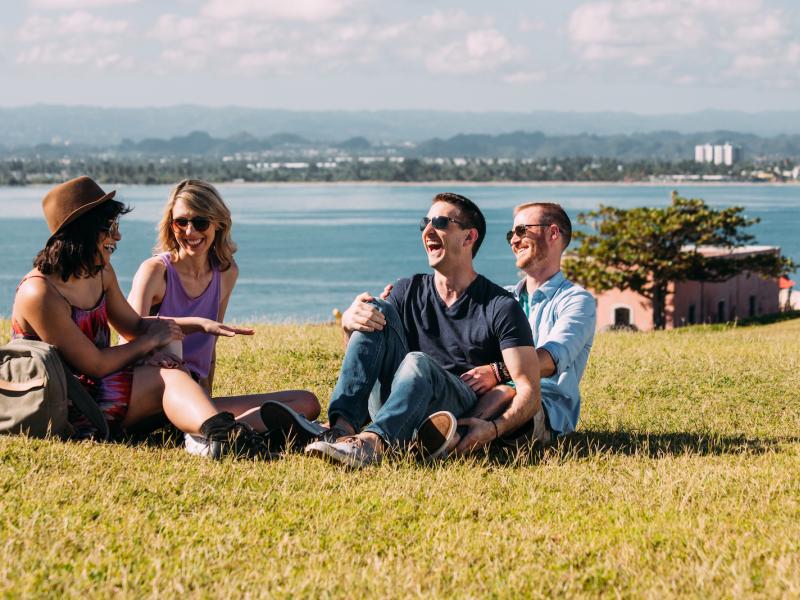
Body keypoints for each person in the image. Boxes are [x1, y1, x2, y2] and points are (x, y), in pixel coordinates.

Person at [10, 176, 310, 459]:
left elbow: (135, 324)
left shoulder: (100, 272)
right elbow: (95, 364)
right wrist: (149, 344)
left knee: (302, 401)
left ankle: (220, 433)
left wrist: (198, 325)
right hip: (73, 406)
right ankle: (227, 438)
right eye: (110, 226)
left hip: (111, 392)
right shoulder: (40, 292)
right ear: (85, 231)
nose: (118, 235)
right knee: (168, 376)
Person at [304, 192, 541, 468]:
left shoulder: (500, 306)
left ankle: (371, 443)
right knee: (375, 308)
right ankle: (341, 431)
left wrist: (494, 429)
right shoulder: (408, 289)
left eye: (440, 222)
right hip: (395, 399)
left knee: (417, 362)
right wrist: (349, 326)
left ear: (468, 238)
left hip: (451, 410)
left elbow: (530, 391)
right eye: (424, 222)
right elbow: (370, 357)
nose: (428, 229)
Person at [126, 180, 320, 455]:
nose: (190, 231)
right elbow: (127, 335)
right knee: (178, 371)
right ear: (170, 224)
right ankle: (214, 434)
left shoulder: (226, 273)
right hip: (151, 392)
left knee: (306, 402)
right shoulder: (156, 271)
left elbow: (210, 349)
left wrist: (204, 395)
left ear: (218, 224)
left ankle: (219, 431)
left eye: (201, 222)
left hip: (192, 397)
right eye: (181, 222)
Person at [452, 202, 596, 445]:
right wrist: (397, 303)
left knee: (505, 394)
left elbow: (552, 359)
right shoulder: (501, 298)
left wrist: (497, 372)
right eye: (511, 234)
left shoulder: (577, 301)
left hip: (543, 408)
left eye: (522, 231)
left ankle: (454, 436)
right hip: (486, 395)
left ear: (553, 233)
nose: (513, 241)